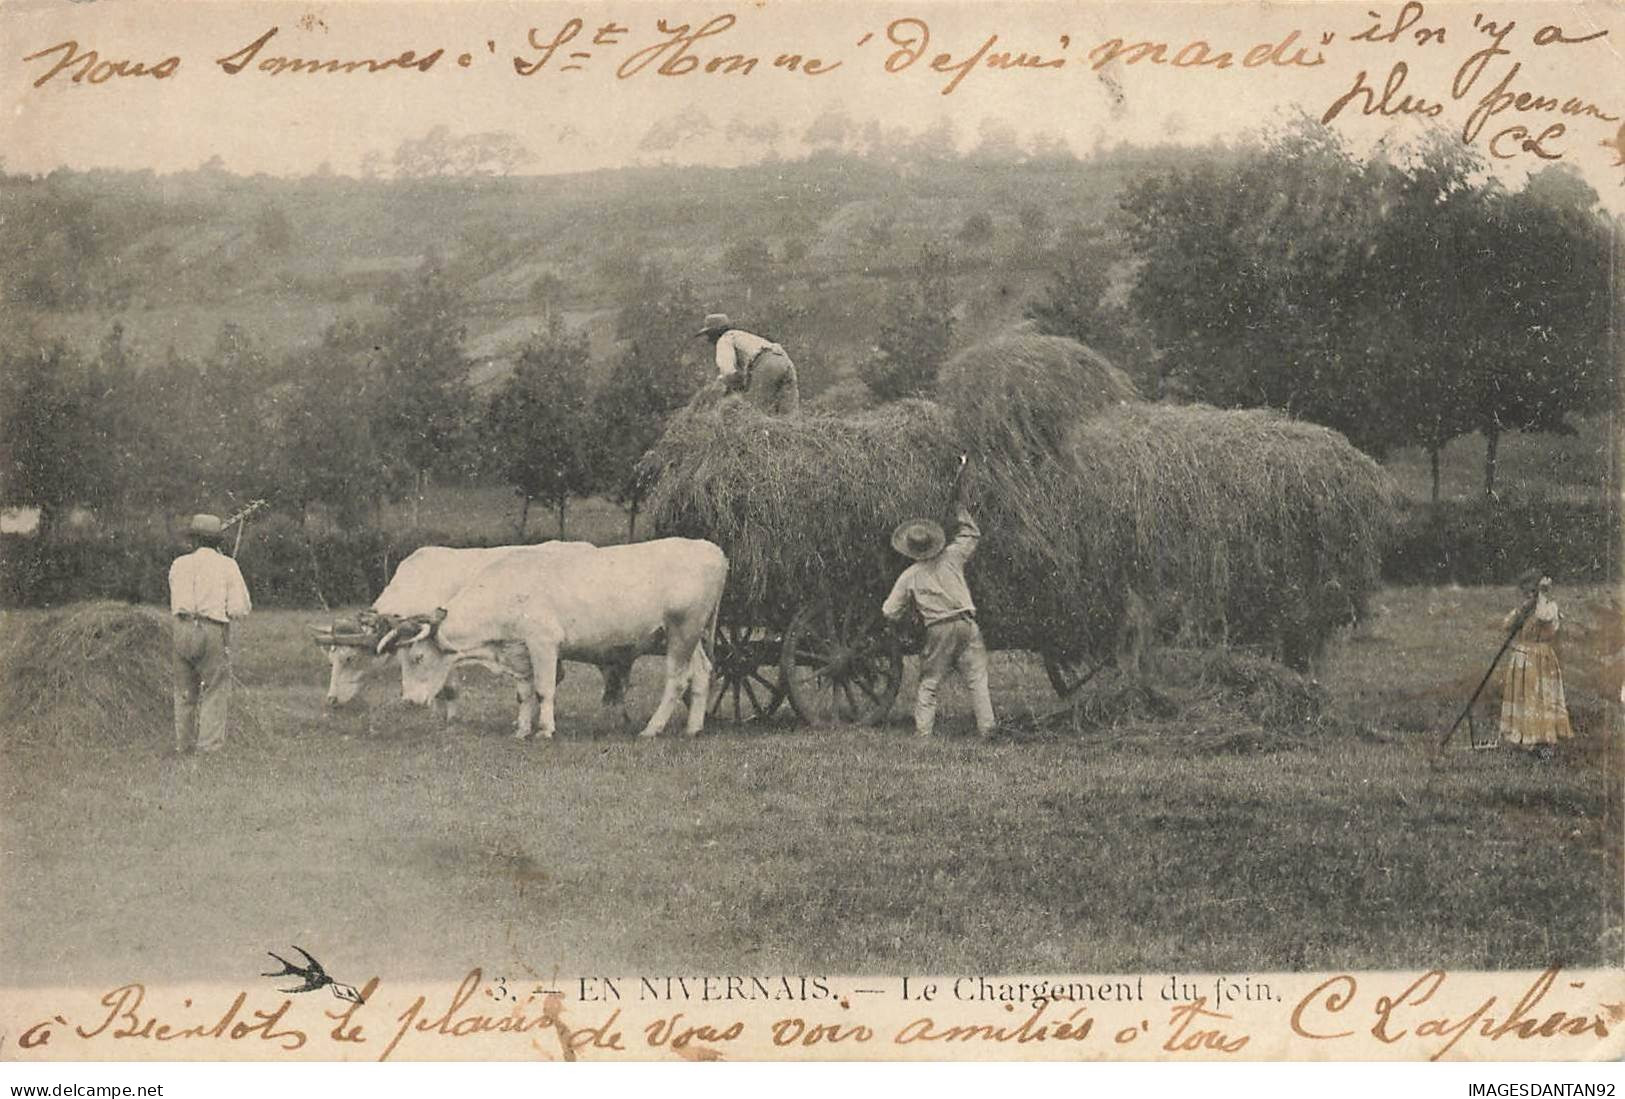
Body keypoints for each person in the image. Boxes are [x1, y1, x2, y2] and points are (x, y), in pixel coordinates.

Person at [881, 459, 996, 739]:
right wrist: (959, 508)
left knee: (929, 683)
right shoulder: (952, 557)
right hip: (967, 623)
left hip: (939, 629)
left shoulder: (910, 575)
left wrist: (905, 617)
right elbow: (971, 533)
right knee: (977, 679)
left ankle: (923, 736)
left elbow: (888, 611)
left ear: (909, 549)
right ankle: (988, 729)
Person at [168, 513, 252, 754]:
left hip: (181, 628)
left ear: (193, 540)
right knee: (215, 688)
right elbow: (240, 609)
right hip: (211, 629)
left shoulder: (178, 564)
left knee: (184, 691)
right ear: (219, 542)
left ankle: (183, 746)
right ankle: (208, 748)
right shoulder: (228, 565)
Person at [1497, 567, 1572, 760]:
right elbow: (1506, 624)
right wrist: (1521, 610)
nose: (1528, 596)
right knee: (1524, 698)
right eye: (1526, 592)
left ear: (1540, 591)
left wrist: (1541, 597)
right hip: (1522, 658)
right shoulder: (1524, 610)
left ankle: (1545, 741)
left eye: (1532, 591)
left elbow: (1543, 617)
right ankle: (1523, 738)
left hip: (1541, 658)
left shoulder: (1549, 607)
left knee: (1540, 700)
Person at [695, 313, 801, 414]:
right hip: (784, 360)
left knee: (757, 412)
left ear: (715, 332)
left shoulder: (724, 339)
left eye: (709, 334)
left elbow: (728, 372)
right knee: (787, 414)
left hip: (766, 364)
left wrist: (731, 390)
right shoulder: (742, 336)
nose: (708, 340)